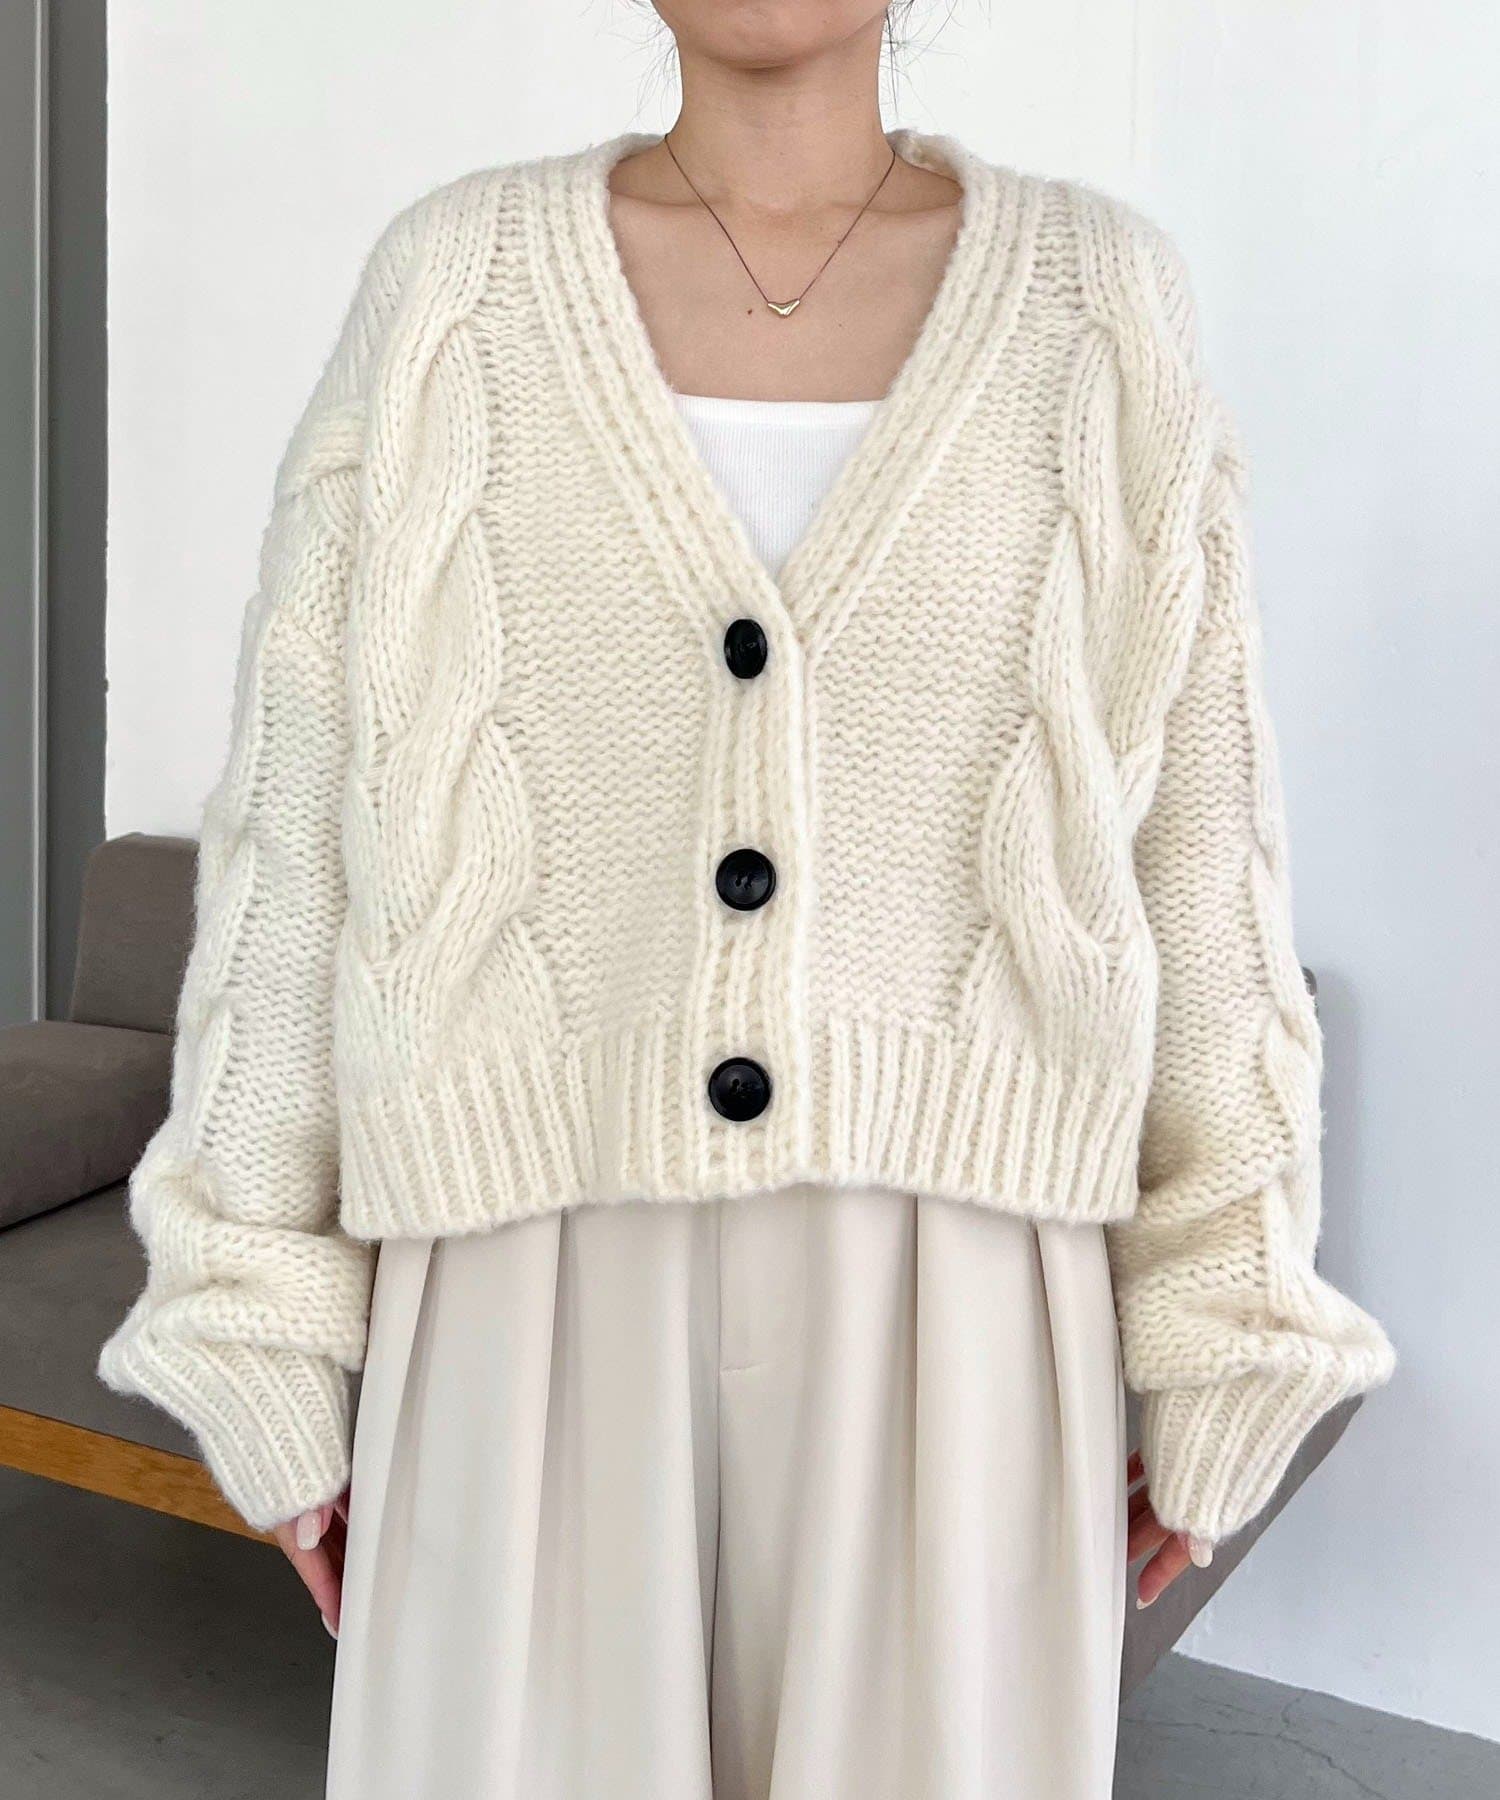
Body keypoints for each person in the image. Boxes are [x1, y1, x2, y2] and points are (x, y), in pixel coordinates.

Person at [96, 3, 1397, 1795]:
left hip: (962, 1298)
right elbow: (299, 825)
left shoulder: (1101, 302)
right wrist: (254, 1301)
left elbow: (1202, 838)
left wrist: (1229, 1312)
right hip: (522, 1273)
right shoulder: (452, 286)